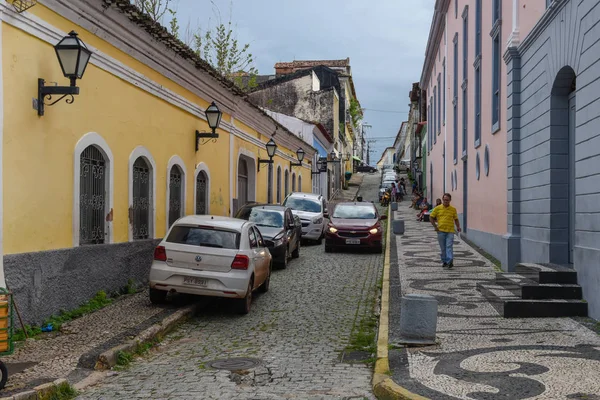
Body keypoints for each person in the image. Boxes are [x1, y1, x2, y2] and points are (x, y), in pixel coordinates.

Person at [429, 193, 461, 269]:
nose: (445, 201)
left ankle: (450, 261)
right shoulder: (437, 208)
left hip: (450, 231)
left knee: (449, 246)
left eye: (447, 200)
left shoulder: (453, 209)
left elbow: (456, 219)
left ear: (450, 200)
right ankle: (444, 261)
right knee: (443, 248)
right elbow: (431, 217)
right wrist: (435, 226)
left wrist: (458, 227)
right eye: (444, 200)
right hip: (441, 231)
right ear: (442, 199)